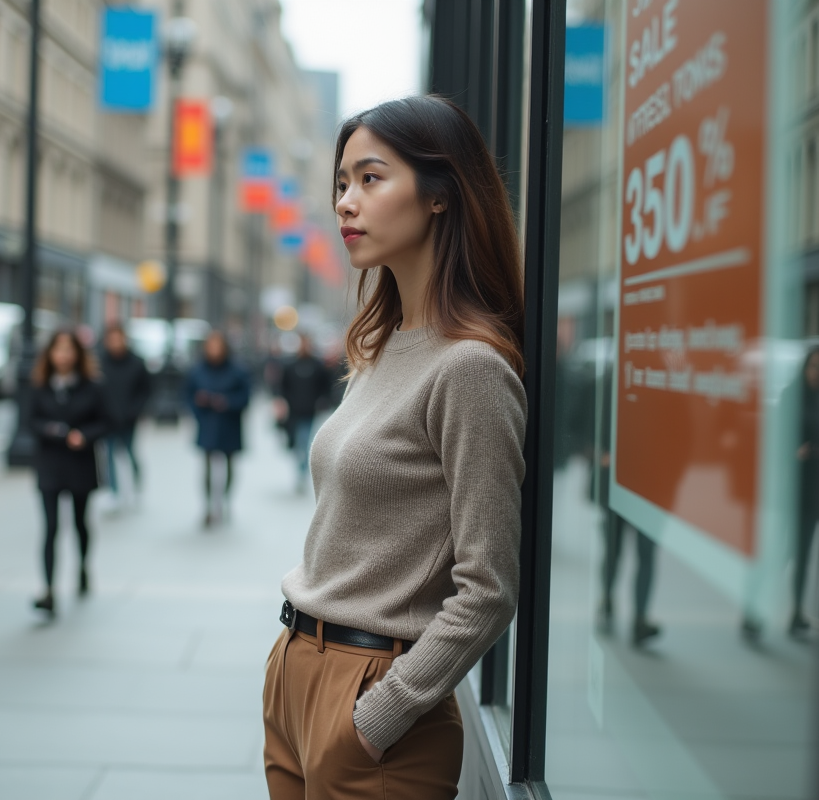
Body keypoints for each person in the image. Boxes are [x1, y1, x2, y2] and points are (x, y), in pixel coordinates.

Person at [264, 96, 527, 798]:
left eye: (371, 179)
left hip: (375, 700)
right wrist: (291, 673)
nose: (347, 203)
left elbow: (490, 587)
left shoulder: (468, 369)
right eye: (342, 184)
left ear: (440, 195)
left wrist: (381, 714)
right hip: (296, 675)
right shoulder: (381, 348)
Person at [30, 329, 108, 616]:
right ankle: (48, 589)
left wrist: (84, 436)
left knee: (79, 523)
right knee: (50, 527)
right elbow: (31, 420)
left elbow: (105, 422)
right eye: (58, 350)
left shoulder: (92, 386)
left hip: (80, 464)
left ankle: (84, 566)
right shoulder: (40, 385)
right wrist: (56, 431)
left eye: (68, 350)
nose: (63, 355)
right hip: (50, 463)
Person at [591, 363, 661, 647]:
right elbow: (599, 418)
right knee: (614, 548)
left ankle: (640, 618)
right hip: (618, 478)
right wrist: (603, 454)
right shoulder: (615, 374)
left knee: (647, 552)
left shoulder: (662, 378)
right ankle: (607, 599)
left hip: (651, 484)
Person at [184, 331, 251, 527]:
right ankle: (208, 506)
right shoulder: (198, 370)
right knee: (206, 466)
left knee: (229, 465)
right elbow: (188, 395)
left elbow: (245, 397)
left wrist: (227, 402)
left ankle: (224, 500)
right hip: (207, 424)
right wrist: (199, 408)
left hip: (229, 424)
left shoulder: (237, 370)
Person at [788, 345, 819, 637]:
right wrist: (795, 452)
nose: (817, 373)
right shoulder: (793, 399)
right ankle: (796, 611)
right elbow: (777, 440)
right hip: (800, 489)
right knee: (798, 553)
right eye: (812, 366)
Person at [98, 322, 151, 508]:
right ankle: (114, 492)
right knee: (109, 455)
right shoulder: (101, 362)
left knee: (130, 453)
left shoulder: (136, 363)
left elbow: (145, 391)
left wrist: (135, 411)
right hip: (108, 418)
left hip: (129, 418)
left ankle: (137, 489)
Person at [278, 335, 332, 491]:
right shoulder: (290, 365)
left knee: (304, 441)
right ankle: (300, 468)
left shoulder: (317, 365)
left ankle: (301, 472)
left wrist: (322, 401)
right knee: (296, 442)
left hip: (309, 411)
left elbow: (326, 386)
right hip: (293, 411)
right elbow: (283, 387)